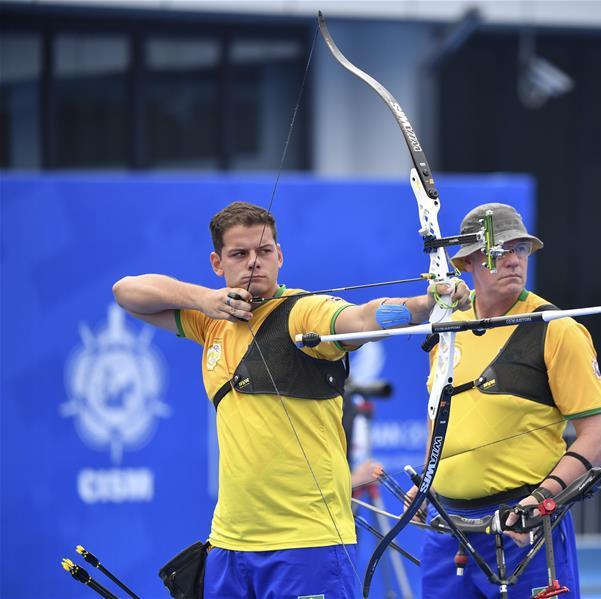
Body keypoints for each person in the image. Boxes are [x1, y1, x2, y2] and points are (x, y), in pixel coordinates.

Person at [112, 201, 470, 599]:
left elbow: (361, 320)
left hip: (307, 546)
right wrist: (203, 299)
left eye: (264, 252)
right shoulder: (211, 321)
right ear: (218, 262)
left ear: (279, 255)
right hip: (230, 544)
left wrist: (427, 305)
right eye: (239, 254)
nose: (254, 263)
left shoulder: (303, 312)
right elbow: (126, 292)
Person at [415, 203, 601, 599]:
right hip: (448, 531)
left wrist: (539, 501)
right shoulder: (448, 326)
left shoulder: (556, 329)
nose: (513, 261)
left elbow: (600, 439)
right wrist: (428, 479)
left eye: (520, 249)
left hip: (523, 528)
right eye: (500, 250)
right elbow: (440, 416)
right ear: (469, 261)